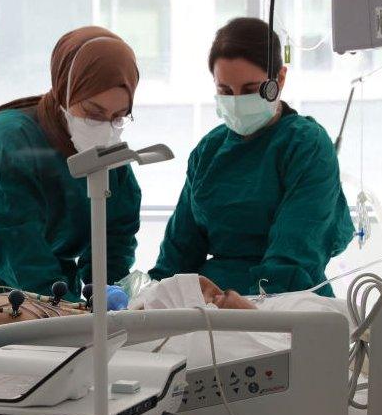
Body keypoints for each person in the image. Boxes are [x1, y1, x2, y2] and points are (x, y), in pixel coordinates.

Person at [0, 26, 142, 305]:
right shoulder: (9, 142)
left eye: (118, 116)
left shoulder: (107, 152)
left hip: (53, 277)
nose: (105, 127)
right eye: (94, 113)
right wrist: (70, 310)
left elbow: (115, 236)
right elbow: (19, 247)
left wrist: (106, 292)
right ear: (64, 92)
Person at [150, 18, 354, 297]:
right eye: (225, 91)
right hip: (210, 304)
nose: (236, 100)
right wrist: (153, 296)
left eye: (249, 90)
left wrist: (248, 308)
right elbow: (177, 256)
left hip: (287, 304)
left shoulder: (306, 146)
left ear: (279, 79)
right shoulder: (208, 151)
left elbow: (294, 257)